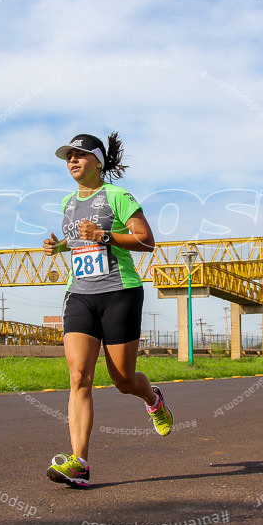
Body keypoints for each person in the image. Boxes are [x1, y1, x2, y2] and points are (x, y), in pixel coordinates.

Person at [42, 132, 172, 488]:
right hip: (80, 294)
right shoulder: (68, 201)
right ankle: (79, 463)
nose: (72, 160)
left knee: (123, 381)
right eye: (68, 156)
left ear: (98, 161)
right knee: (78, 376)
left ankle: (153, 398)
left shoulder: (118, 196)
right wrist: (59, 247)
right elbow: (80, 237)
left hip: (120, 293)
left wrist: (104, 237)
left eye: (80, 155)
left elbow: (146, 241)